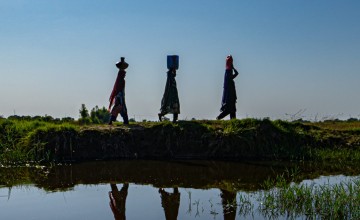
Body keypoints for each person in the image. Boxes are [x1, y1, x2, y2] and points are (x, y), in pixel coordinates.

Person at [217, 55, 239, 120]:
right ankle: (218, 118)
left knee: (233, 110)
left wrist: (233, 68)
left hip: (232, 96)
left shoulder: (228, 74)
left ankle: (233, 121)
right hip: (230, 96)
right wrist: (233, 68)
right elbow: (236, 73)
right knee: (229, 110)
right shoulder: (228, 74)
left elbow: (237, 73)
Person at [108, 57, 129, 125]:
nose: (125, 74)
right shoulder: (121, 77)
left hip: (119, 96)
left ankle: (111, 121)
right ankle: (125, 122)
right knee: (122, 109)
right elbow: (119, 89)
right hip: (120, 96)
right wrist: (120, 98)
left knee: (117, 109)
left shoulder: (120, 77)